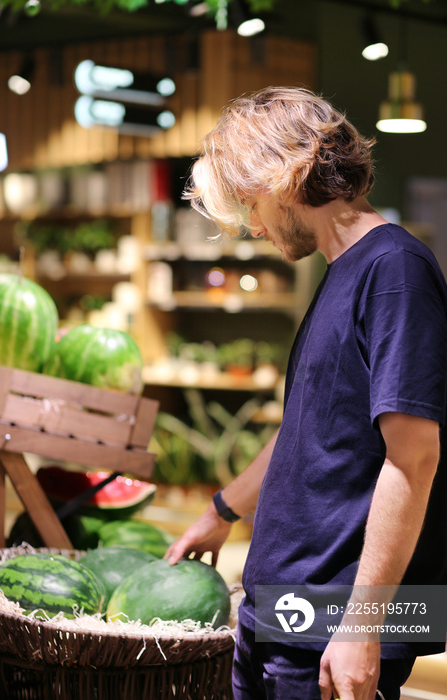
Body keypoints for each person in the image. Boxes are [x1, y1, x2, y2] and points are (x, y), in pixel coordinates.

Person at [164, 87, 447, 700]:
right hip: (286, 614)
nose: (254, 227)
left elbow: (415, 457)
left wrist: (363, 625)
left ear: (284, 176)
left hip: (330, 622)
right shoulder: (342, 271)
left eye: (251, 205)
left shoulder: (395, 271)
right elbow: (307, 430)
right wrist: (221, 512)